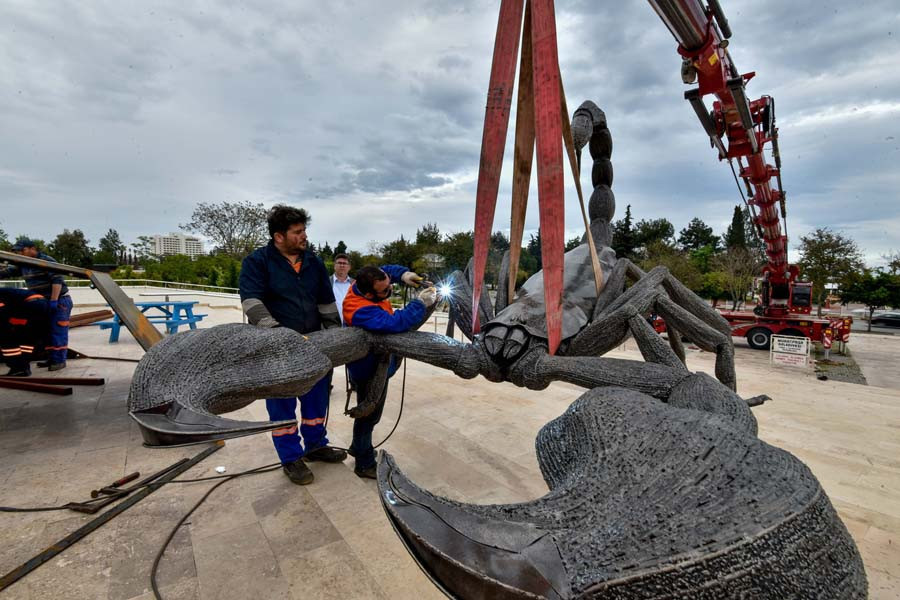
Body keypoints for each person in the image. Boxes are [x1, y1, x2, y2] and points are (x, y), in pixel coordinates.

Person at [239, 205, 346, 486]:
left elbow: (325, 301)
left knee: (316, 400)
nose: (304, 236)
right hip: (275, 349)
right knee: (282, 406)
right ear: (278, 236)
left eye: (304, 231)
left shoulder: (313, 262)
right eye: (297, 232)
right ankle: (291, 458)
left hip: (314, 346)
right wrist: (278, 334)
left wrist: (335, 335)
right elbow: (251, 302)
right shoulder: (257, 262)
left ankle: (315, 446)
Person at [342, 265, 436, 478]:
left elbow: (385, 271)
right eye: (384, 290)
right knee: (369, 415)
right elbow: (396, 322)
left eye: (389, 284)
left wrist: (405, 275)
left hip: (379, 363)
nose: (389, 290)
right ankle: (364, 462)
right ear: (368, 294)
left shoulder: (364, 282)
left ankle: (359, 447)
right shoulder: (359, 310)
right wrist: (420, 303)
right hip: (368, 369)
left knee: (369, 415)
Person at [0, 239, 73, 372]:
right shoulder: (23, 264)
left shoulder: (45, 261)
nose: (19, 253)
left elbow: (57, 281)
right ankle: (51, 357)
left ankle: (59, 360)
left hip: (59, 300)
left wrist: (53, 300)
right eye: (17, 251)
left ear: (32, 248)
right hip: (40, 302)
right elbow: (8, 272)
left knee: (58, 330)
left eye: (22, 250)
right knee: (46, 331)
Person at [330, 253, 354, 325]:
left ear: (349, 267)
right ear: (334, 265)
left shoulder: (355, 284)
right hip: (331, 326)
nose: (342, 265)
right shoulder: (326, 283)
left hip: (352, 325)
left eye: (345, 263)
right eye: (339, 263)